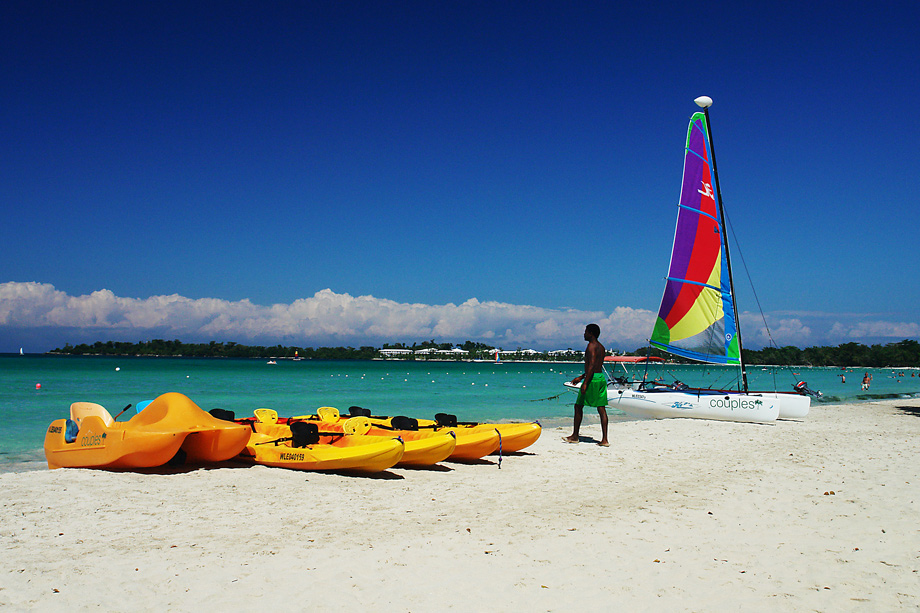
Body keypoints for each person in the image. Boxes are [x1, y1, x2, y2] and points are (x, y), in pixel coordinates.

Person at [564, 323, 609, 446]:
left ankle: (575, 436)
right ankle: (605, 440)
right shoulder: (601, 347)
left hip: (592, 380)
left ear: (591, 333)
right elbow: (596, 367)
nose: (584, 334)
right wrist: (581, 377)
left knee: (578, 406)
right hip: (600, 378)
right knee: (601, 408)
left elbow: (591, 365)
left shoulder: (591, 346)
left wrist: (585, 383)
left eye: (586, 332)